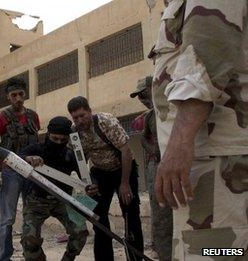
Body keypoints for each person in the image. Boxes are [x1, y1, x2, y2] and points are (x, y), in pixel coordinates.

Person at [149, 0, 248, 259]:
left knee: (213, 252)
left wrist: (179, 142)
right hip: (215, 161)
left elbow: (208, 51)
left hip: (218, 162)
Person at [67, 96, 144, 261]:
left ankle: (135, 258)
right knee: (99, 220)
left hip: (123, 170)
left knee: (131, 216)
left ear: (89, 111)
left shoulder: (106, 122)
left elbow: (126, 151)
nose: (80, 120)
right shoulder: (74, 133)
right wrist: (88, 184)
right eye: (76, 118)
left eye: (82, 115)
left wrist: (124, 184)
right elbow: (80, 160)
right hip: (99, 172)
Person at [19, 116, 97, 261]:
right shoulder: (36, 148)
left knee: (80, 232)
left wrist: (90, 186)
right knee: (29, 241)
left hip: (63, 201)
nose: (59, 143)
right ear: (48, 135)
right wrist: (28, 159)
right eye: (55, 139)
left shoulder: (70, 155)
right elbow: (15, 159)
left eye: (63, 140)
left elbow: (85, 179)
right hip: (36, 201)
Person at [0, 78, 40, 261]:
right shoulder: (2, 117)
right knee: (7, 219)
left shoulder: (33, 116)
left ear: (25, 94)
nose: (18, 98)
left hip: (31, 172)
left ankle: (31, 254)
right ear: (8, 97)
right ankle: (4, 257)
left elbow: (36, 144)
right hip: (10, 172)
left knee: (31, 215)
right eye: (13, 95)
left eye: (20, 94)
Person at [131, 76, 172, 261]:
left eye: (144, 93)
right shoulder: (148, 117)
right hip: (156, 170)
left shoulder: (173, 107)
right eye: (139, 96)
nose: (142, 99)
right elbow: (144, 140)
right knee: (161, 215)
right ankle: (164, 253)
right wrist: (155, 151)